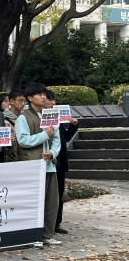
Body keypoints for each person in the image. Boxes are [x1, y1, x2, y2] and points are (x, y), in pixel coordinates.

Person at [15, 83, 62, 248]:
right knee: (34, 203)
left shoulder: (50, 115)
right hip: (33, 166)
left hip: (49, 165)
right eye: (40, 94)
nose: (43, 97)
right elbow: (23, 140)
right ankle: (33, 236)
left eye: (44, 95)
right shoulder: (23, 117)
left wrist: (53, 153)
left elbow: (57, 140)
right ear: (30, 98)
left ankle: (47, 235)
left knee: (51, 203)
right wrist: (44, 135)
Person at [45, 90, 79, 235]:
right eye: (50, 99)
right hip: (46, 160)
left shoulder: (57, 119)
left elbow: (65, 138)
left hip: (59, 163)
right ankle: (45, 225)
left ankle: (56, 223)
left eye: (54, 100)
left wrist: (74, 125)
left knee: (58, 194)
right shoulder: (38, 118)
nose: (53, 103)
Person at [3, 88, 25, 162]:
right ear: (11, 101)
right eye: (20, 100)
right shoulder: (4, 120)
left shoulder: (25, 118)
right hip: (11, 160)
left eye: (24, 101)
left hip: (24, 159)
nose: (23, 104)